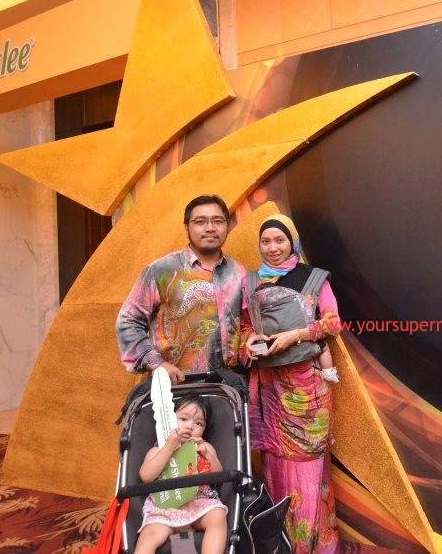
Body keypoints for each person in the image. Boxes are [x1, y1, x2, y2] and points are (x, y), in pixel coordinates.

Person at [241, 213, 342, 553]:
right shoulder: (251, 281)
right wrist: (250, 340)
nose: (273, 247)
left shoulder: (313, 278)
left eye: (280, 240)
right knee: (275, 465)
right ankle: (280, 545)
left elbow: (332, 323)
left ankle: (314, 546)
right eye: (266, 241)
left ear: (292, 242)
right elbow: (244, 325)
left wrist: (296, 335)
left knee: (310, 469)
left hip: (307, 390)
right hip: (269, 390)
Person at [117, 194, 247, 384]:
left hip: (229, 388)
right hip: (175, 387)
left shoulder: (239, 272)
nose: (210, 228)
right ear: (187, 228)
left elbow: (246, 325)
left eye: (218, 221)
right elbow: (128, 321)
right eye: (200, 222)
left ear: (227, 225)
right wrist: (157, 364)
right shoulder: (162, 270)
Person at [136, 395, 227, 554]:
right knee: (148, 537)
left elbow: (218, 473)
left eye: (198, 423)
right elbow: (146, 476)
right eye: (183, 419)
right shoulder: (158, 450)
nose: (190, 426)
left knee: (218, 516)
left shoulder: (204, 447)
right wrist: (169, 447)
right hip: (166, 507)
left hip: (198, 503)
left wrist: (207, 455)